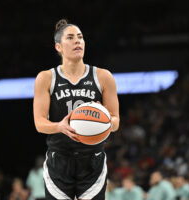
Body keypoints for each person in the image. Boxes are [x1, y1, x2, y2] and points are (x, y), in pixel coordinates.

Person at [33, 18, 120, 200]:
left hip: (92, 160)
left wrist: (104, 120)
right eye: (70, 38)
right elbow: (39, 123)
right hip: (59, 159)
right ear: (58, 47)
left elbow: (115, 121)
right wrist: (59, 127)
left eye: (80, 37)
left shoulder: (103, 77)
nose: (77, 41)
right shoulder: (46, 78)